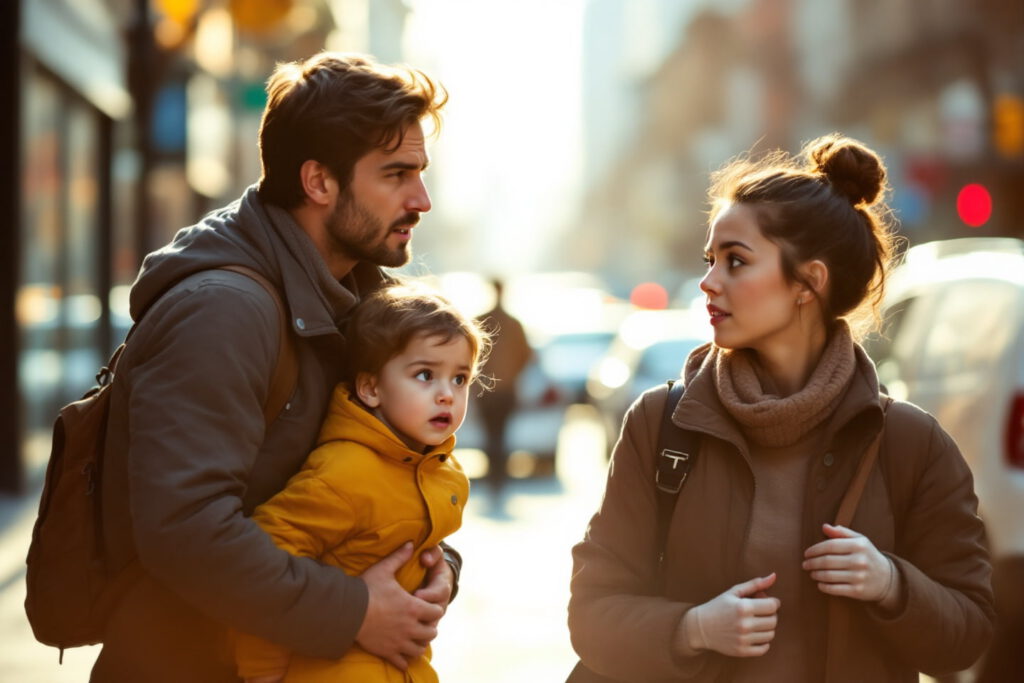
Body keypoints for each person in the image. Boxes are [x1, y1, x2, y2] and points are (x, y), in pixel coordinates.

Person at [568, 133, 994, 682]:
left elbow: (969, 636)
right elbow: (592, 613)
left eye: (736, 262)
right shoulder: (661, 424)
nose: (708, 281)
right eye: (711, 259)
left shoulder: (910, 442)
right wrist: (693, 629)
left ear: (807, 283)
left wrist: (891, 584)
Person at [93, 53, 459, 682]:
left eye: (419, 173)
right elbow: (186, 530)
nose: (420, 199)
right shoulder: (222, 313)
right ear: (319, 182)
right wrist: (355, 611)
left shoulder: (355, 302)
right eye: (396, 174)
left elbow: (375, 478)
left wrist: (437, 566)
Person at [232, 283, 490, 683]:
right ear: (371, 388)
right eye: (425, 375)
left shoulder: (443, 473)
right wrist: (263, 673)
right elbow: (263, 567)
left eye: (460, 379)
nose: (447, 395)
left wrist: (448, 569)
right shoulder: (344, 471)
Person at [477, 278, 532, 501]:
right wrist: (511, 375)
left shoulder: (483, 321)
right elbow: (526, 355)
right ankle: (499, 476)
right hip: (505, 389)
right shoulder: (512, 324)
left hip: (488, 390)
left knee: (492, 435)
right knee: (500, 434)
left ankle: (495, 476)